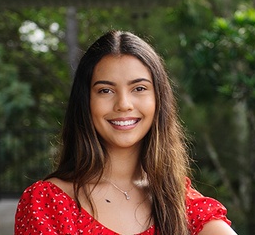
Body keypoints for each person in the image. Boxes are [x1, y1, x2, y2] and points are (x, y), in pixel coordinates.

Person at [14, 30, 236, 235]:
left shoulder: (175, 197)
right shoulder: (45, 202)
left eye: (139, 88)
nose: (123, 104)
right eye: (106, 90)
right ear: (85, 102)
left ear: (158, 99)